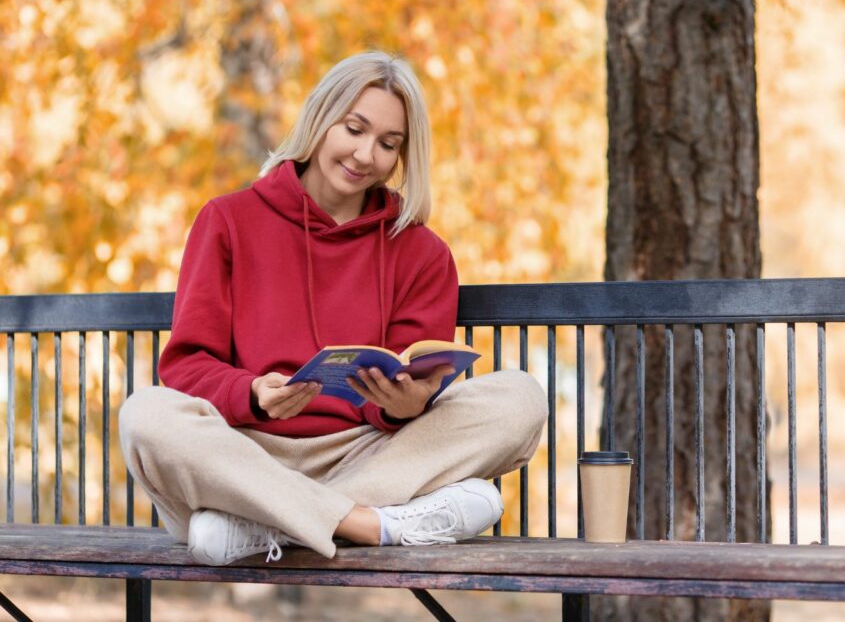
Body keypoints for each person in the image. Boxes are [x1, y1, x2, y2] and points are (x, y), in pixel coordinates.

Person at [118, 52, 548, 566]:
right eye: (354, 128)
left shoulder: (421, 252)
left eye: (389, 144)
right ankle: (369, 525)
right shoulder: (227, 220)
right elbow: (187, 366)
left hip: (367, 454)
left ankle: (262, 527)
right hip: (245, 454)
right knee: (145, 415)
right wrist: (251, 393)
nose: (366, 154)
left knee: (520, 399)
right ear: (321, 119)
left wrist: (403, 404)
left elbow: (414, 377)